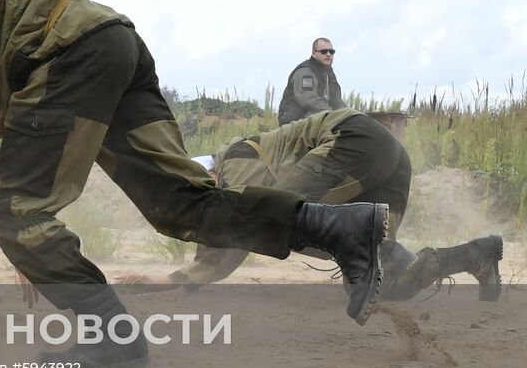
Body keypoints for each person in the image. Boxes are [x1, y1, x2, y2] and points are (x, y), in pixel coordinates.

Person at [0, 0, 391, 368]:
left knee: (22, 209)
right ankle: (342, 226)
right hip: (108, 45)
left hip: (70, 54)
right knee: (180, 203)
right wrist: (21, 245)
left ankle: (113, 337)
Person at [156, 110, 503, 300]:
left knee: (280, 215)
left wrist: (184, 279)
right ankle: (476, 255)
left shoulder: (235, 156)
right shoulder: (234, 165)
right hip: (391, 161)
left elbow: (247, 216)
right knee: (388, 280)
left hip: (355, 139)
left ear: (210, 174)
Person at [277, 38, 344, 125]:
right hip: (294, 119)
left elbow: (337, 100)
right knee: (322, 117)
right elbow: (307, 99)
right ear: (313, 53)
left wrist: (345, 114)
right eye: (324, 51)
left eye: (331, 52)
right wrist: (332, 114)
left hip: (317, 115)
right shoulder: (305, 71)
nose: (328, 54)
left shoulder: (330, 74)